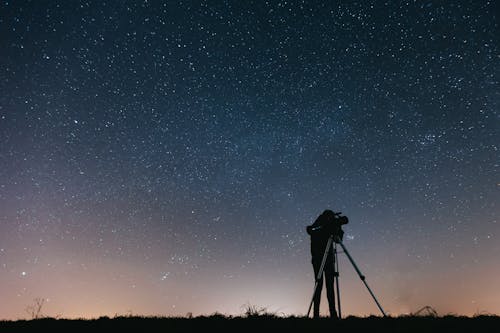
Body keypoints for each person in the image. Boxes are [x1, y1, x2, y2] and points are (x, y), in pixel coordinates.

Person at [306, 209, 338, 319]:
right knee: (319, 285)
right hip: (318, 259)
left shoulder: (331, 225)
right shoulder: (319, 223)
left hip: (328, 259)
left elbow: (338, 240)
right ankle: (316, 314)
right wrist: (325, 229)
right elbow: (311, 231)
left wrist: (336, 230)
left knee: (330, 287)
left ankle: (333, 313)